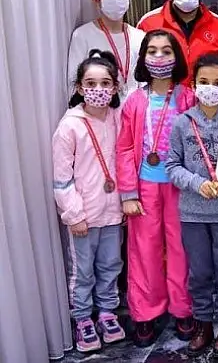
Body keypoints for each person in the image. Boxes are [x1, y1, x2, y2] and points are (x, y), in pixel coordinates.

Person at [116, 29, 196, 347]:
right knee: (143, 250)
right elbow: (124, 149)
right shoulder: (135, 101)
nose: (159, 57)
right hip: (145, 187)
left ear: (177, 57)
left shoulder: (188, 97)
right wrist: (128, 194)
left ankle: (183, 308)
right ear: (143, 57)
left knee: (181, 249)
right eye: (152, 51)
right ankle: (145, 312)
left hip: (180, 187)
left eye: (166, 51)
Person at [166, 54, 218, 358]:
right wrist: (196, 183)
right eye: (204, 82)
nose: (210, 88)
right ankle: (203, 324)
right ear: (194, 85)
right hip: (193, 214)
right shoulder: (182, 123)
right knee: (199, 273)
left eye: (217, 83)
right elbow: (172, 166)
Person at [53, 50, 125, 353]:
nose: (99, 90)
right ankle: (82, 318)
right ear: (80, 88)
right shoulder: (69, 126)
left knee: (111, 265)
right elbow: (61, 178)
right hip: (83, 216)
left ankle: (107, 312)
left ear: (115, 87)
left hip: (113, 213)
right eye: (91, 83)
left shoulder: (118, 119)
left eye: (105, 83)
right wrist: (74, 214)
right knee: (82, 271)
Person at [67, 0, 146, 100]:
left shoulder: (140, 36)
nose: (116, 0)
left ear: (128, 1)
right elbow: (74, 84)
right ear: (96, 0)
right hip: (98, 109)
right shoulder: (82, 35)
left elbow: (145, 82)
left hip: (134, 109)